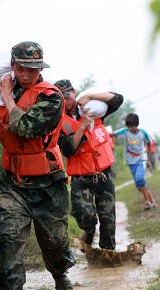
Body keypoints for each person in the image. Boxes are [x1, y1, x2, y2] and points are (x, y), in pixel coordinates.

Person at [0, 42, 76, 290]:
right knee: (8, 239)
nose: (27, 73)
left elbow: (25, 127)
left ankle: (59, 273)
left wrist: (5, 94)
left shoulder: (51, 97)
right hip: (13, 182)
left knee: (54, 242)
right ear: (13, 66)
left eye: (33, 68)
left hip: (48, 185)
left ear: (41, 68)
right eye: (21, 68)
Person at [54, 79, 123, 252]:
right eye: (60, 97)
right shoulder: (58, 121)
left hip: (104, 173)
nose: (65, 101)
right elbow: (68, 149)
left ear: (74, 92)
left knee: (108, 218)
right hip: (80, 177)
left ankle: (108, 254)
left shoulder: (95, 108)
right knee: (84, 215)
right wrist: (82, 126)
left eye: (67, 95)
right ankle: (89, 232)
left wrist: (90, 95)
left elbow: (117, 100)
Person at [114, 113, 156, 209]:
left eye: (132, 126)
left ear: (137, 124)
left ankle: (146, 201)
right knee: (139, 185)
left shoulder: (143, 133)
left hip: (141, 159)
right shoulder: (125, 131)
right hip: (130, 161)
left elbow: (149, 143)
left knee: (140, 179)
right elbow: (112, 134)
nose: (130, 128)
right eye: (129, 126)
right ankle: (152, 200)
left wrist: (149, 159)